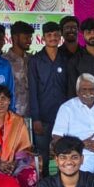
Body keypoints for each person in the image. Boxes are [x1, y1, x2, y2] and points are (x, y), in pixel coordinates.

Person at [28, 21, 67, 176]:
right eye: (49, 35)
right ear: (43, 38)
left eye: (56, 35)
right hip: (42, 117)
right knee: (42, 156)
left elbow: (70, 89)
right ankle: (43, 186)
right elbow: (33, 90)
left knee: (63, 153)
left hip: (63, 117)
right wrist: (36, 118)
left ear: (60, 37)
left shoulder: (66, 59)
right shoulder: (35, 60)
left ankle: (62, 185)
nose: (53, 38)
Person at [3, 21, 33, 117]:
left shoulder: (32, 60)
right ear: (15, 38)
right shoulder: (3, 61)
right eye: (26, 38)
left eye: (30, 38)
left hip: (31, 115)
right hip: (10, 115)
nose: (29, 41)